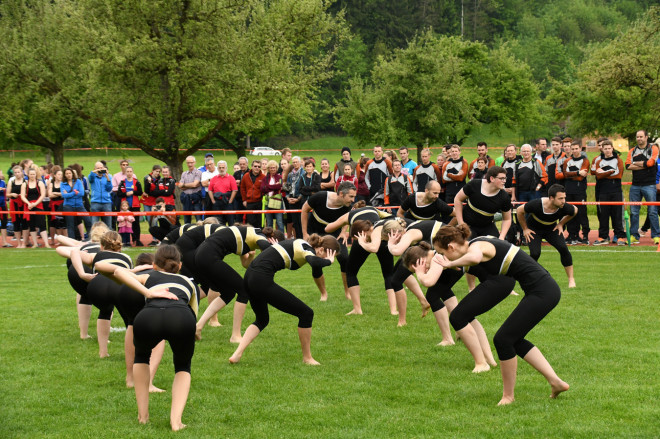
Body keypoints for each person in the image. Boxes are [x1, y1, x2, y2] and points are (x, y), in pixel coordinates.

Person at [433, 225, 570, 405]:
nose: (444, 257)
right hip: (540, 290)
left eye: (442, 253)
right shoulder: (476, 244)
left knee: (503, 339)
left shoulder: (477, 246)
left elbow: (474, 257)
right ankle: (555, 382)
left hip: (543, 291)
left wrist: (450, 263)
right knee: (514, 339)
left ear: (451, 247)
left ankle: (508, 397)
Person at [106, 245, 198, 431]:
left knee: (141, 358)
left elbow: (116, 270)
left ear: (155, 265)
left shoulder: (149, 276)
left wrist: (147, 292)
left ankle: (143, 417)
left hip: (148, 316)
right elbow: (193, 316)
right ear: (179, 266)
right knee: (182, 366)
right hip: (181, 316)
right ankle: (176, 422)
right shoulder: (189, 283)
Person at [228, 235, 338, 365]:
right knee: (306, 313)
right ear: (320, 250)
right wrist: (329, 262)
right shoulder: (307, 249)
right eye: (328, 255)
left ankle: (237, 354)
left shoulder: (300, 243)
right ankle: (307, 358)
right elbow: (314, 262)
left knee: (262, 319)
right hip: (259, 279)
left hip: (249, 277)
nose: (327, 258)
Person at [408, 242, 498, 371]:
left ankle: (482, 362)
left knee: (460, 315)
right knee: (465, 315)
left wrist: (420, 274)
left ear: (420, 261)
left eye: (420, 268)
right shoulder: (439, 255)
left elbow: (428, 281)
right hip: (493, 281)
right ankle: (489, 360)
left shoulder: (437, 257)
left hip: (495, 281)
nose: (425, 270)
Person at [193, 225, 283, 342]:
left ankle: (198, 327)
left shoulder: (250, 235)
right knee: (244, 291)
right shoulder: (258, 235)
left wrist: (251, 255)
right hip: (208, 256)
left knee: (228, 293)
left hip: (201, 256)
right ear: (271, 239)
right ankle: (235, 336)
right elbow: (268, 249)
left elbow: (245, 264)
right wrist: (277, 248)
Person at [70, 230, 133, 358]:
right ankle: (133, 353)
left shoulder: (97, 255)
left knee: (105, 311)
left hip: (96, 286)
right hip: (118, 286)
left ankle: (103, 352)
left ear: (101, 246)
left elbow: (74, 252)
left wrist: (82, 274)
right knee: (129, 320)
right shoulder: (127, 258)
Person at [325, 203, 395, 311]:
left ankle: (357, 309)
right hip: (380, 235)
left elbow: (328, 228)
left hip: (361, 238)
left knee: (351, 272)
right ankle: (393, 309)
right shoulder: (373, 209)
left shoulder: (350, 214)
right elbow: (390, 217)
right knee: (388, 273)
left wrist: (344, 227)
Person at [300, 182, 356, 299]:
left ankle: (348, 293)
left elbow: (346, 218)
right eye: (351, 196)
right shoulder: (320, 197)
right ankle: (323, 294)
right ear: (341, 193)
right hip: (315, 232)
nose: (353, 200)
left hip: (334, 233)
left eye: (354, 197)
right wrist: (305, 234)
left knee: (345, 259)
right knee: (316, 262)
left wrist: (343, 232)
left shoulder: (347, 206)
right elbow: (304, 210)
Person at [516, 184, 577, 288]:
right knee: (535, 254)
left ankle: (571, 280)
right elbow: (519, 210)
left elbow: (575, 210)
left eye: (564, 198)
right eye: (560, 198)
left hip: (551, 229)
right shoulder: (536, 204)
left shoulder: (564, 206)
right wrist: (525, 229)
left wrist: (561, 224)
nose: (563, 201)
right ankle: (528, 278)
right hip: (534, 230)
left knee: (563, 248)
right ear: (551, 198)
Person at [626, 130, 659, 244]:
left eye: (641, 136)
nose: (639, 138)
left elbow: (651, 164)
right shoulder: (632, 150)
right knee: (634, 212)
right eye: (637, 137)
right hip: (635, 186)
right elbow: (627, 166)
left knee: (652, 211)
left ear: (646, 137)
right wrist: (644, 164)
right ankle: (634, 236)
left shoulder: (653, 148)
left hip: (649, 185)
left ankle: (656, 236)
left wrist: (636, 163)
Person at [593, 140, 626, 245]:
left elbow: (618, 175)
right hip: (603, 191)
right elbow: (598, 176)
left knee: (617, 214)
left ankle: (619, 236)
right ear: (602, 149)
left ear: (612, 148)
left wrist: (604, 172)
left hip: (616, 190)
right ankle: (603, 236)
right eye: (605, 148)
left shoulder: (618, 160)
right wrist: (611, 172)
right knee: (603, 215)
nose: (607, 150)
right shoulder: (599, 162)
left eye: (609, 148)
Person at [557, 142, 590, 245]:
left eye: (576, 148)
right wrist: (577, 172)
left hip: (580, 191)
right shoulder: (567, 161)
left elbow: (582, 176)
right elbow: (565, 174)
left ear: (580, 149)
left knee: (582, 213)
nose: (575, 151)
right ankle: (572, 235)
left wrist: (576, 175)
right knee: (570, 212)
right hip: (569, 190)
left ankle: (585, 235)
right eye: (573, 149)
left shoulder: (585, 161)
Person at [20, 167, 50, 248]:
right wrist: (29, 203)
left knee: (42, 224)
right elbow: (22, 196)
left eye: (33, 174)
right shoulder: (24, 184)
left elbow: (43, 195)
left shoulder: (40, 183)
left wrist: (35, 203)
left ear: (36, 174)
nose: (32, 175)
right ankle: (35, 243)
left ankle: (46, 243)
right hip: (28, 206)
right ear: (28, 175)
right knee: (31, 225)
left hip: (38, 204)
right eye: (31, 174)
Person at [61, 167, 92, 243]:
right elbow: (64, 196)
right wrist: (74, 192)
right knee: (70, 224)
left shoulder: (78, 181)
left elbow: (82, 193)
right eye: (67, 173)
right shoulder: (63, 183)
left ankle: (90, 238)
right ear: (64, 175)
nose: (68, 175)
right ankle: (72, 242)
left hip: (79, 205)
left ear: (72, 174)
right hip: (68, 206)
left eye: (70, 173)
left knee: (88, 220)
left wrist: (69, 194)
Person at [117, 166, 144, 246]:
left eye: (130, 171)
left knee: (135, 223)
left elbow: (140, 192)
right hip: (125, 207)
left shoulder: (136, 182)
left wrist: (133, 192)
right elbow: (119, 194)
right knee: (123, 223)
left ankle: (136, 240)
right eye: (127, 171)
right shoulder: (122, 182)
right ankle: (125, 241)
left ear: (133, 172)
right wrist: (125, 194)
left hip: (135, 205)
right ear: (125, 172)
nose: (129, 173)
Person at [208, 161, 238, 226]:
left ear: (226, 168)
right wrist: (213, 201)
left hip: (227, 201)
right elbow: (210, 190)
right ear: (217, 169)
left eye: (223, 167)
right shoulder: (214, 178)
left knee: (231, 221)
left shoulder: (231, 178)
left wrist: (230, 201)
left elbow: (234, 190)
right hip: (217, 202)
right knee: (218, 222)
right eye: (220, 167)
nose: (221, 169)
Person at [178, 156, 203, 224]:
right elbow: (180, 186)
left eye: (191, 162)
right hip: (186, 198)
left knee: (199, 220)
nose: (190, 164)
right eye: (188, 163)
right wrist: (191, 185)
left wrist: (184, 185)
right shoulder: (184, 174)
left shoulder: (198, 172)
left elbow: (195, 184)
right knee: (186, 220)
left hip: (196, 198)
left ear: (194, 162)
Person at [241, 160, 266, 228]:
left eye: (259, 166)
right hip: (249, 202)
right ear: (252, 167)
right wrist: (244, 200)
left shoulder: (263, 177)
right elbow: (242, 188)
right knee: (250, 221)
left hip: (259, 202)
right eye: (255, 166)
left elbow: (265, 189)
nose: (257, 168)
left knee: (259, 221)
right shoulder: (246, 176)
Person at [261, 160, 284, 232]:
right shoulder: (265, 178)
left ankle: (281, 239)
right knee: (269, 222)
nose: (272, 169)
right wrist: (274, 186)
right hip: (268, 202)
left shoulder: (279, 177)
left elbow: (279, 186)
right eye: (271, 168)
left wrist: (268, 187)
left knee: (279, 222)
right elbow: (262, 189)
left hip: (277, 202)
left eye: (274, 167)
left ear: (276, 168)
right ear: (268, 168)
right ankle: (269, 238)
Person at [88, 161, 113, 228]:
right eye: (98, 168)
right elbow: (90, 178)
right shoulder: (93, 176)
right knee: (94, 225)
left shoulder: (109, 176)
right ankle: (95, 238)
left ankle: (108, 238)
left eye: (101, 168)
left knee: (108, 225)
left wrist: (107, 178)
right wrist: (94, 172)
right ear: (95, 169)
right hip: (95, 202)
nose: (100, 169)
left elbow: (109, 189)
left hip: (106, 202)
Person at [7, 166, 27, 247]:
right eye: (15, 172)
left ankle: (24, 243)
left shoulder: (25, 181)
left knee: (25, 223)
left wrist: (23, 195)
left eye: (18, 172)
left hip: (23, 203)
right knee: (16, 223)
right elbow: (7, 194)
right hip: (14, 204)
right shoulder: (11, 181)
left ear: (22, 172)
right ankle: (19, 243)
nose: (17, 174)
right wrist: (12, 194)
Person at [47, 166, 66, 243]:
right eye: (58, 174)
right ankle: (55, 240)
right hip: (54, 205)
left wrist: (56, 193)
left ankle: (64, 240)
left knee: (63, 223)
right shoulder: (52, 183)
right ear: (54, 175)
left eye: (61, 175)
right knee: (54, 223)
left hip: (63, 204)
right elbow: (50, 195)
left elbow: (65, 194)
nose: (60, 176)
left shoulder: (64, 184)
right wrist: (60, 194)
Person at [142, 166, 162, 232]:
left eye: (159, 172)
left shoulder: (160, 179)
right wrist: (149, 182)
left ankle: (157, 237)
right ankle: (154, 237)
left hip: (155, 202)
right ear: (152, 171)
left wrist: (150, 184)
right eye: (156, 171)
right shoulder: (146, 177)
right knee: (149, 219)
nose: (158, 173)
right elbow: (146, 190)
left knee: (155, 219)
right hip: (147, 202)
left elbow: (157, 192)